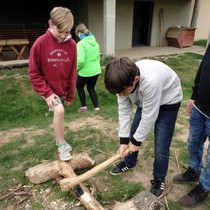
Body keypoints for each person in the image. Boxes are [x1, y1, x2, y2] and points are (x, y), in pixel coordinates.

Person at [104, 57, 183, 198]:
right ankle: (129, 162)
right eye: (118, 93)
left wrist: (136, 142)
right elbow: (124, 112)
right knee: (132, 134)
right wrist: (124, 141)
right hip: (145, 99)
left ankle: (159, 179)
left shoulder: (151, 81)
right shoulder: (121, 83)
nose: (121, 95)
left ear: (135, 79)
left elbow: (149, 116)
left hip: (169, 99)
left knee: (161, 146)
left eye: (123, 92)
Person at [28, 6, 77, 161]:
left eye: (67, 32)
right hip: (48, 89)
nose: (63, 36)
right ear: (50, 24)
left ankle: (60, 140)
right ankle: (61, 146)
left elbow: (73, 72)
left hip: (62, 89)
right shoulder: (40, 43)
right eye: (59, 31)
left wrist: (70, 94)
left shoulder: (72, 45)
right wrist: (47, 93)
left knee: (60, 115)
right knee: (59, 111)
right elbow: (33, 73)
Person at [173, 44, 210, 208]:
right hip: (200, 106)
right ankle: (194, 171)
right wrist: (194, 95)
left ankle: (204, 187)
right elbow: (203, 68)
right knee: (193, 142)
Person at [75, 23, 101, 113]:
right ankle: (96, 108)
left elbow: (81, 61)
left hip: (85, 71)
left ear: (79, 33)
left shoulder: (80, 44)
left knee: (79, 87)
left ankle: (84, 107)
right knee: (91, 88)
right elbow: (98, 57)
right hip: (96, 70)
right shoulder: (95, 43)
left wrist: (76, 68)